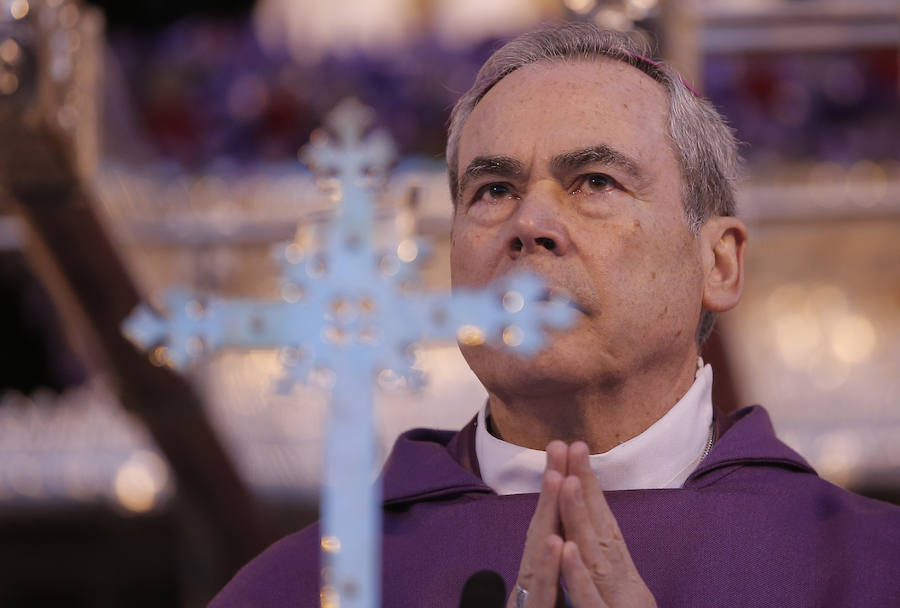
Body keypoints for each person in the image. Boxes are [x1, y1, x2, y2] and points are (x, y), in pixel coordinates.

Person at [211, 23, 900, 607]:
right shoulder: (301, 586)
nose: (530, 222)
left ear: (718, 264)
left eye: (594, 182)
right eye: (493, 190)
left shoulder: (868, 569)